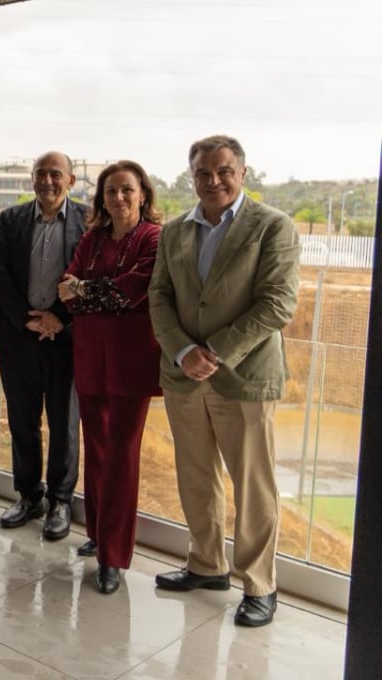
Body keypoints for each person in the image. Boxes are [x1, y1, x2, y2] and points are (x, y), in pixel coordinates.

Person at [148, 135, 300, 627]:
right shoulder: (174, 232)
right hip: (183, 375)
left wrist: (212, 352)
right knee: (196, 477)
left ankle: (259, 584)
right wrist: (184, 351)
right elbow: (159, 297)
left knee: (254, 486)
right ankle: (206, 565)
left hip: (244, 376)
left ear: (243, 172)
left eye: (223, 171)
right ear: (191, 176)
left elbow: (277, 302)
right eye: (203, 173)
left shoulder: (273, 226)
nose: (213, 181)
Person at [57, 160, 162, 594]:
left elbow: (133, 290)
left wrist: (87, 291)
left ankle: (114, 558)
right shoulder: (93, 238)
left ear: (143, 195)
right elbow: (66, 291)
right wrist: (89, 292)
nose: (118, 198)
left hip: (131, 361)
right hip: (89, 358)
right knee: (96, 450)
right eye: (111, 191)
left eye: (127, 190)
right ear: (101, 197)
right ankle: (98, 534)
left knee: (122, 455)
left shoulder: (154, 238)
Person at [0, 151, 85, 540]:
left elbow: (92, 272)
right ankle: (29, 496)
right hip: (19, 338)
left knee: (64, 423)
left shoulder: (90, 221)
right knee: (22, 422)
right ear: (32, 178)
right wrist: (27, 318)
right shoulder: (11, 220)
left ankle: (60, 501)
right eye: (41, 173)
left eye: (55, 174)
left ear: (71, 181)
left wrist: (59, 319)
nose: (47, 180)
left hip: (66, 339)